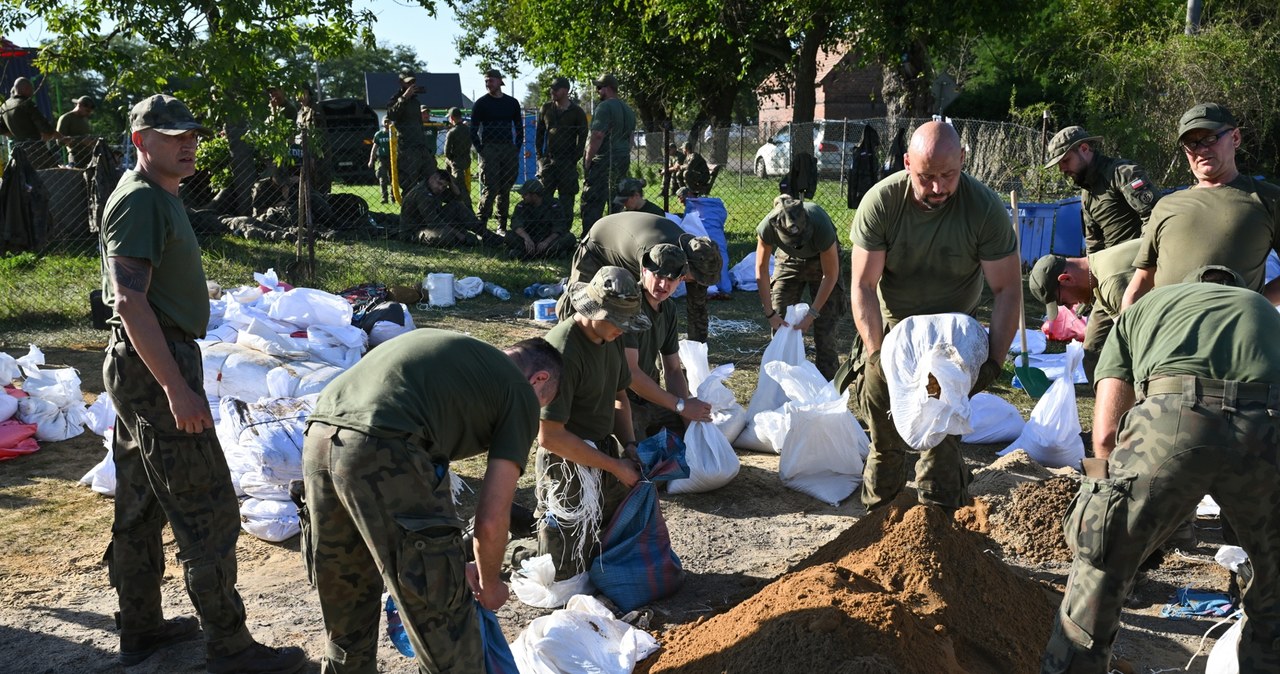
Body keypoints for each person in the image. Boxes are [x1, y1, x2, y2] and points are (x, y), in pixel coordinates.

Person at [99, 94, 304, 673]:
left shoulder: (158, 195)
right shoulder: (140, 200)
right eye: (171, 135)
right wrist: (176, 387)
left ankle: (141, 628)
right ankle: (230, 647)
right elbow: (130, 300)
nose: (187, 142)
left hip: (150, 359)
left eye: (191, 132)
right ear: (141, 141)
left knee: (140, 503)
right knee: (207, 507)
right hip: (156, 360)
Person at [1041, 266, 1280, 674]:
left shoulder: (1143, 308)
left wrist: (1102, 504)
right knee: (1273, 588)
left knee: (1100, 570)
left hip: (1168, 422)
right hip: (1265, 425)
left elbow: (1105, 432)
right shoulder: (1266, 311)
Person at [300, 331, 561, 674]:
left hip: (319, 435)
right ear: (539, 379)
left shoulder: (463, 365)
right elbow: (492, 517)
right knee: (447, 626)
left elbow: (427, 485)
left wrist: (452, 559)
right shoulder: (517, 390)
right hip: (382, 446)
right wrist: (491, 582)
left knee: (348, 599)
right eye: (542, 401)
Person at [843, 120, 1021, 511]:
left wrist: (993, 359)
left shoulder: (984, 208)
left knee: (942, 439)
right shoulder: (882, 202)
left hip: (952, 343)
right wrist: (875, 356)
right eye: (926, 177)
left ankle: (942, 530)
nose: (938, 188)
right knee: (886, 440)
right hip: (892, 337)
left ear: (962, 161)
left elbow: (1007, 289)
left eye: (948, 175)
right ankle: (877, 525)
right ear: (907, 163)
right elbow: (862, 286)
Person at [527, 266, 651, 580]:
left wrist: (630, 446)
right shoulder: (563, 351)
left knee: (613, 545)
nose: (623, 330)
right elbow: (550, 436)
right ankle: (509, 548)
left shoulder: (611, 337)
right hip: (567, 460)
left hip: (603, 450)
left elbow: (620, 394)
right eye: (618, 322)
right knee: (560, 573)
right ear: (594, 311)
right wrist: (613, 466)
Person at [1122, 102, 1280, 309]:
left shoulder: (1268, 198)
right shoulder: (1166, 206)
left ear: (1235, 138)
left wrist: (1253, 306)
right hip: (1169, 332)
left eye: (1210, 138)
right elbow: (1142, 280)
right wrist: (1125, 331)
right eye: (1192, 143)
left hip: (1232, 334)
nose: (1202, 149)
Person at [557, 211, 722, 344]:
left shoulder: (698, 259)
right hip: (599, 246)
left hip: (630, 251)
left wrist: (698, 347)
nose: (693, 283)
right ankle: (562, 346)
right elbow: (641, 305)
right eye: (692, 278)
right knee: (582, 303)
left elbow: (698, 307)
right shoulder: (656, 256)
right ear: (685, 265)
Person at [625, 243, 714, 439]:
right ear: (644, 270)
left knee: (690, 433)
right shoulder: (629, 305)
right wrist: (681, 405)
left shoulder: (669, 309)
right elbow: (630, 374)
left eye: (672, 279)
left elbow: (673, 370)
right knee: (635, 457)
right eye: (658, 276)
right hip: (621, 398)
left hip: (649, 398)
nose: (664, 285)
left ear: (681, 280)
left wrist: (686, 415)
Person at [755, 195, 844, 380]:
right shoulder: (768, 227)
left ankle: (828, 391)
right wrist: (770, 313)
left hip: (821, 259)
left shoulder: (820, 225)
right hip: (789, 260)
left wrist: (812, 314)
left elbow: (830, 275)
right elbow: (761, 270)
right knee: (781, 326)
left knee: (826, 330)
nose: (800, 244)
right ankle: (780, 387)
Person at [1028, 239, 1139, 383]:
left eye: (1063, 302)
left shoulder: (1112, 284)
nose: (1068, 307)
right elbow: (1121, 327)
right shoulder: (1096, 275)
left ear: (1066, 279)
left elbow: (1141, 343)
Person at [1043, 126, 1161, 254]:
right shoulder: (1086, 194)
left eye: (1066, 161)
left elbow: (1155, 217)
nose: (1062, 169)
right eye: (1059, 165)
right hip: (1112, 268)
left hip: (1141, 262)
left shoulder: (1122, 173)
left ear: (1084, 149)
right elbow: (1093, 244)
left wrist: (1143, 261)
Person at [580, 73, 636, 234]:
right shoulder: (629, 110)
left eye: (599, 87)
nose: (598, 91)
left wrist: (588, 160)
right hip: (622, 159)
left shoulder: (604, 107)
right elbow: (631, 140)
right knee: (616, 201)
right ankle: (613, 239)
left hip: (604, 160)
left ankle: (590, 240)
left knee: (592, 201)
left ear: (608, 88)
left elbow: (597, 135)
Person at [470, 68, 523, 233]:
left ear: (500, 81)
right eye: (486, 81)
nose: (488, 84)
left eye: (491, 80)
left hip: (508, 148)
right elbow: (473, 130)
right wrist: (481, 150)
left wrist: (516, 148)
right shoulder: (481, 103)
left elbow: (519, 128)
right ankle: (482, 224)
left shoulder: (512, 103)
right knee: (491, 188)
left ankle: (502, 225)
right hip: (489, 148)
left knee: (505, 188)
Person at [401, 167, 502, 248]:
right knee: (447, 237)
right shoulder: (422, 194)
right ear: (432, 179)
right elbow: (434, 222)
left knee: (457, 206)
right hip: (416, 230)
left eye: (444, 186)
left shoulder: (435, 189)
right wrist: (457, 233)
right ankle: (466, 239)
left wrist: (452, 183)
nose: (441, 188)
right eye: (439, 183)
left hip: (432, 223)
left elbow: (458, 197)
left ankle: (489, 237)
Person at [536, 77, 587, 218]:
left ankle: (564, 231)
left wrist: (574, 158)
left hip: (567, 162)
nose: (552, 91)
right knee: (544, 198)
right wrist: (540, 157)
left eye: (555, 89)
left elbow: (582, 138)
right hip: (549, 161)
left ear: (565, 90)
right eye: (551, 88)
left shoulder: (577, 112)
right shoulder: (546, 109)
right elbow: (539, 134)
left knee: (566, 199)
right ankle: (544, 229)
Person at [504, 178, 575, 259]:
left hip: (549, 239)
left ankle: (525, 255)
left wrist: (546, 242)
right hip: (529, 239)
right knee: (509, 235)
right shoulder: (521, 206)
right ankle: (551, 254)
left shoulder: (553, 204)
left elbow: (559, 227)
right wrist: (526, 238)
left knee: (569, 237)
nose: (522, 196)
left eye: (525, 194)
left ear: (534, 195)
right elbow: (516, 224)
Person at [0, 77, 63, 168]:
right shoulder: (25, 103)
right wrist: (61, 137)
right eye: (31, 90)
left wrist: (15, 135)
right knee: (51, 174)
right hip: (35, 149)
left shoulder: (4, 106)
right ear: (26, 88)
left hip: (17, 150)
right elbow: (44, 126)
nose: (32, 93)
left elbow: (1, 128)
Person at [387, 72, 430, 195]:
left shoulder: (416, 102)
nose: (412, 85)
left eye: (413, 82)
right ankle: (409, 211)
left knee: (432, 178)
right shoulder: (395, 99)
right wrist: (404, 97)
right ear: (401, 83)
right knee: (409, 184)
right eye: (408, 82)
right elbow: (392, 115)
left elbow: (419, 124)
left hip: (421, 146)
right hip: (407, 148)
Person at [56, 95, 96, 167]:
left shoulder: (84, 120)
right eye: (87, 111)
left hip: (90, 155)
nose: (88, 113)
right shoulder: (66, 118)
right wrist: (81, 141)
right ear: (79, 105)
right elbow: (59, 140)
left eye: (90, 112)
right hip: (76, 156)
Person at [443, 107, 473, 201]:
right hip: (466, 159)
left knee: (459, 186)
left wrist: (450, 158)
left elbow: (446, 151)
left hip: (456, 161)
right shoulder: (468, 130)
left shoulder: (452, 132)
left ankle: (465, 205)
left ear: (451, 118)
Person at [369, 118, 392, 204]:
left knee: (393, 179)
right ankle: (384, 198)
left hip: (393, 158)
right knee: (382, 178)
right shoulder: (379, 134)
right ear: (382, 123)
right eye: (385, 121)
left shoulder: (394, 133)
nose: (387, 123)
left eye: (388, 121)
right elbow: (374, 148)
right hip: (382, 158)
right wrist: (371, 160)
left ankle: (393, 197)